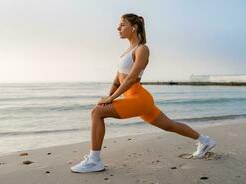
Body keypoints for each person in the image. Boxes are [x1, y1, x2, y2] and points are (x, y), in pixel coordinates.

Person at [71, 13, 216, 173]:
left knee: (97, 112)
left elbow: (132, 77)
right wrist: (109, 96)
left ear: (134, 27)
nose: (118, 28)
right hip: (137, 99)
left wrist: (111, 98)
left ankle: (94, 161)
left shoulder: (142, 49)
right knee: (169, 125)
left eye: (122, 24)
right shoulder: (126, 52)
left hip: (139, 98)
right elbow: (117, 80)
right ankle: (204, 141)